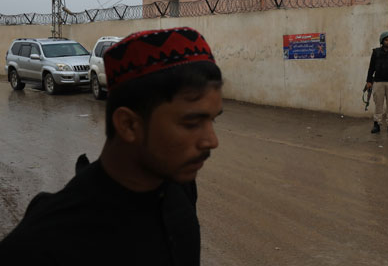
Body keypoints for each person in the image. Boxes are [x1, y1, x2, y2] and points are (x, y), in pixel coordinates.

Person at [0, 27, 222, 265]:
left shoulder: (179, 185)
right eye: (191, 123)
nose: (211, 141)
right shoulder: (41, 245)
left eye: (212, 119)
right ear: (127, 124)